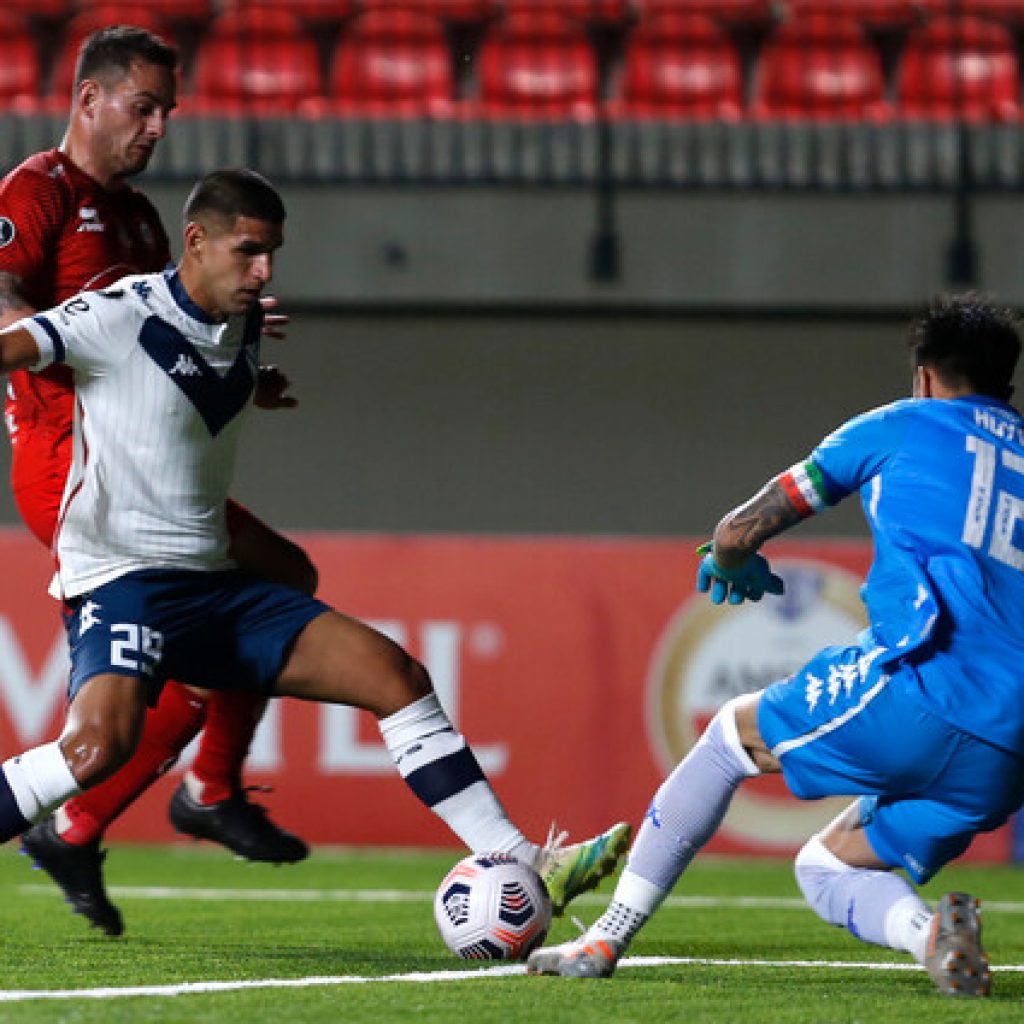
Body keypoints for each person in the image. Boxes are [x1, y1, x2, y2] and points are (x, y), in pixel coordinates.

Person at [0, 167, 631, 927]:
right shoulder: (112, 315)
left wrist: (251, 383)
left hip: (213, 586)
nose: (264, 271)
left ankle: (530, 865)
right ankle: (196, 794)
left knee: (395, 675)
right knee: (96, 748)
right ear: (195, 242)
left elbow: (194, 375)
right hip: (125, 581)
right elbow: (20, 345)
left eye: (272, 253)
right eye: (249, 251)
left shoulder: (240, 323)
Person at [527, 293, 1024, 998]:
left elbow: (738, 530)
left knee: (730, 735)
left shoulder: (898, 426)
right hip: (1010, 753)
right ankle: (932, 938)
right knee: (830, 866)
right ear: (1008, 384)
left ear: (923, 376)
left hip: (925, 684)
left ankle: (606, 935)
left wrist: (732, 564)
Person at [0, 26, 315, 937]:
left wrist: (239, 365)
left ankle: (149, 806)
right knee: (195, 641)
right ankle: (172, 798)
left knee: (280, 583)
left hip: (146, 456)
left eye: (167, 110)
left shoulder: (139, 217)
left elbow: (163, 339)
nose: (158, 127)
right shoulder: (35, 192)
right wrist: (63, 334)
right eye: (145, 106)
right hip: (72, 461)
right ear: (89, 99)